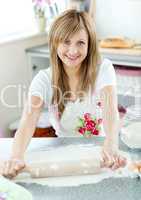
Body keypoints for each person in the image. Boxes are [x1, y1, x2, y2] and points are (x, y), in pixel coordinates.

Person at [0, 9, 126, 179]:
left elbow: (110, 111)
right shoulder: (44, 79)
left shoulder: (103, 69)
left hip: (101, 152)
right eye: (66, 42)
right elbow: (27, 121)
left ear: (89, 45)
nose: (73, 51)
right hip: (64, 153)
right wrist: (16, 157)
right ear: (55, 43)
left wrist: (111, 143)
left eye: (80, 42)